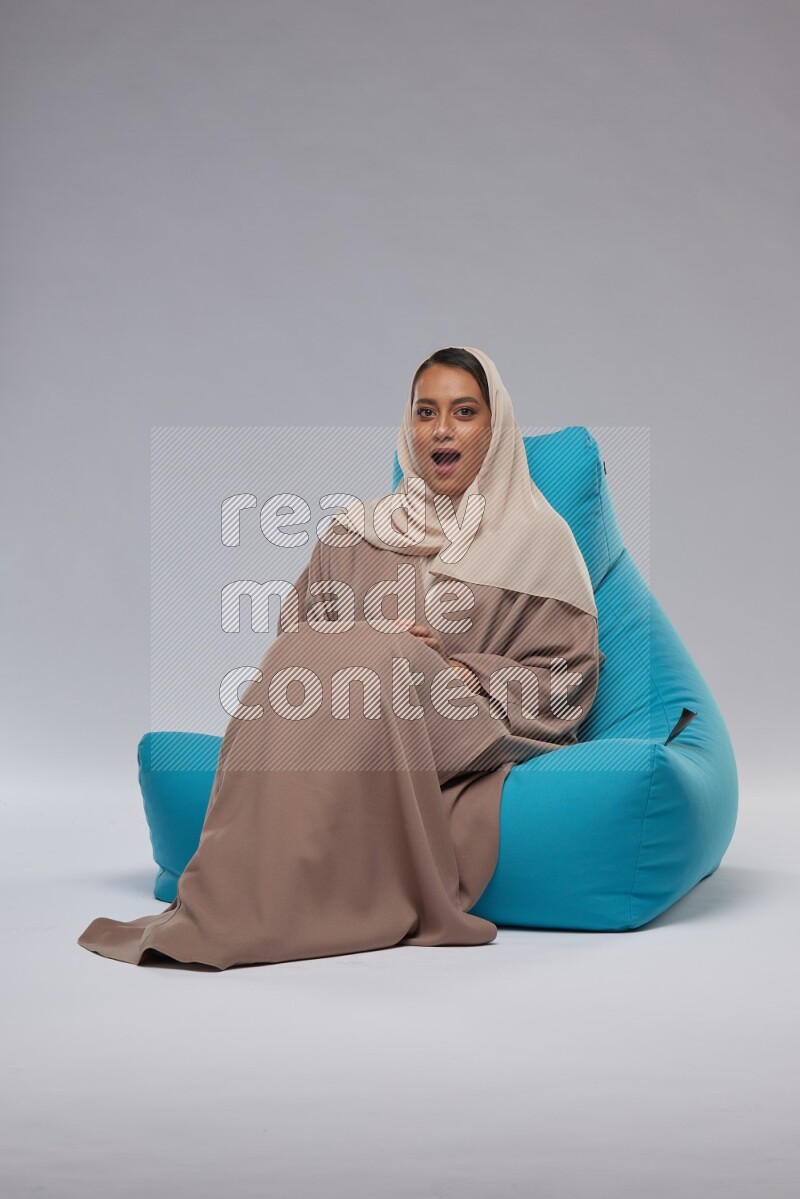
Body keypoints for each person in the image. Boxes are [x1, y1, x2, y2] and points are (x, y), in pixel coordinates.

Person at [77, 345, 603, 970]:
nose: (441, 429)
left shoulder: (538, 539)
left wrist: (450, 668)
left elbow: (566, 682)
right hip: (354, 715)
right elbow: (295, 648)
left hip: (463, 716)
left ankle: (266, 910)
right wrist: (372, 641)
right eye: (425, 412)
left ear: (496, 426)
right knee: (347, 659)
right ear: (407, 427)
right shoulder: (355, 531)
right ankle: (242, 897)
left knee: (386, 661)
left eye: (463, 412)